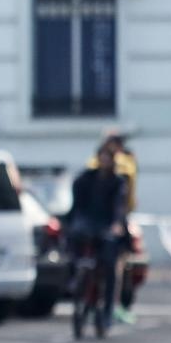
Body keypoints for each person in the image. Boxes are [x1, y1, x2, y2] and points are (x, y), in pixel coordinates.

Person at [66, 141, 130, 330]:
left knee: (110, 266)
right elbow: (77, 203)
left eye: (107, 158)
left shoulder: (118, 182)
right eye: (102, 158)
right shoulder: (86, 178)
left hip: (107, 226)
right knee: (72, 246)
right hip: (87, 225)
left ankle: (107, 309)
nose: (104, 161)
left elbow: (119, 206)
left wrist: (117, 225)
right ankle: (75, 280)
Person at [86, 130, 141, 322]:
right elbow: (129, 195)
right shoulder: (127, 163)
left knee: (95, 260)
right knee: (116, 264)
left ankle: (95, 302)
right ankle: (112, 305)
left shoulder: (94, 162)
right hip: (115, 218)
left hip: (100, 218)